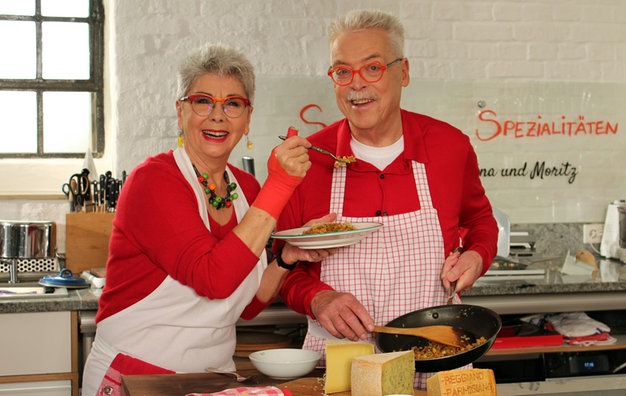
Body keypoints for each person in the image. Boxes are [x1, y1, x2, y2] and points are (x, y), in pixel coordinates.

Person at [82, 43, 332, 396]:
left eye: (233, 104)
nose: (218, 115)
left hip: (213, 378)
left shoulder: (246, 187)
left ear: (247, 120)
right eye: (203, 101)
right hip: (137, 375)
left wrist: (288, 257)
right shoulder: (153, 180)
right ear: (180, 111)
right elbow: (213, 279)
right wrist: (280, 185)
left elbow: (246, 303)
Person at [275, 9, 498, 388]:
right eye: (342, 71)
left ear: (404, 72)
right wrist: (317, 299)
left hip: (436, 356)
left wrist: (477, 256)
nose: (355, 85)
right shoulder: (309, 160)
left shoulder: (449, 146)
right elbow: (285, 268)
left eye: (372, 68)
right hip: (340, 364)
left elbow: (481, 222)